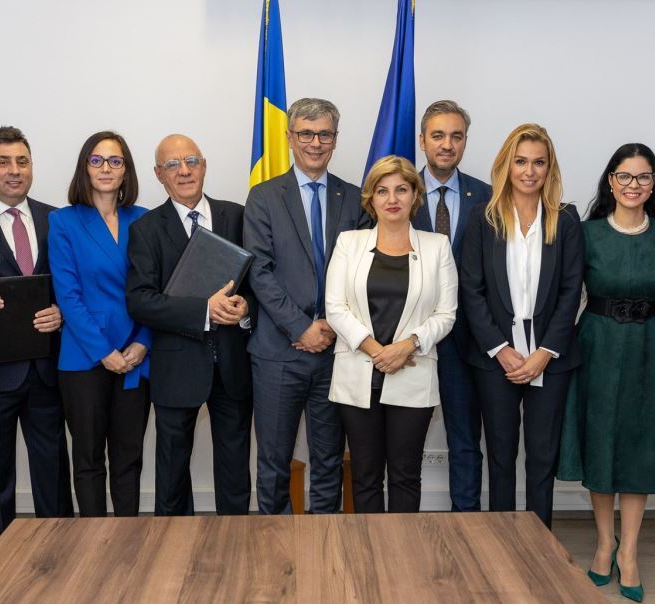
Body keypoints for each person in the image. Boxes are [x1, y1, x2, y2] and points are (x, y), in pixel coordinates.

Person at [559, 143, 655, 603]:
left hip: (646, 348)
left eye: (643, 177)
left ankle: (629, 550)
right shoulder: (586, 233)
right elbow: (566, 293)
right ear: (611, 181)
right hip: (596, 345)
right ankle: (604, 543)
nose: (634, 185)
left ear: (653, 184)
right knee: (600, 442)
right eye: (625, 176)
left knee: (637, 444)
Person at [243, 98, 370, 514]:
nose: (315, 143)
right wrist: (300, 327)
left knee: (329, 460)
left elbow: (363, 272)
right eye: (306, 134)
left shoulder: (355, 199)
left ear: (335, 138)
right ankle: (273, 542)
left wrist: (330, 326)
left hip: (336, 351)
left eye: (324, 134)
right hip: (278, 353)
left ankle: (325, 540)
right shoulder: (263, 197)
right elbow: (259, 270)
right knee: (274, 462)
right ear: (290, 137)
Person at [458, 123, 583, 529]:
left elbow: (572, 290)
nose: (529, 171)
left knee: (543, 455)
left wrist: (545, 352)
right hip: (495, 355)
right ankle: (503, 544)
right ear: (506, 166)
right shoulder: (483, 218)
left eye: (539, 163)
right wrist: (499, 348)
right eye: (521, 161)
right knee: (501, 453)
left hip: (550, 355)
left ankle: (539, 542)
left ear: (550, 168)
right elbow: (471, 289)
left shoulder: (565, 220)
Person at [0, 126, 73, 550]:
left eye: (22, 161)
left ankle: (61, 554)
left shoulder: (56, 219)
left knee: (53, 472)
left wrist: (62, 311)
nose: (14, 170)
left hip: (46, 369)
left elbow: (72, 283)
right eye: (3, 162)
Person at [126, 134, 254, 516]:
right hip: (176, 367)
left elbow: (259, 283)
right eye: (173, 164)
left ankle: (236, 543)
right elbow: (140, 300)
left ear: (204, 165)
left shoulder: (238, 216)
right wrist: (204, 310)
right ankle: (173, 545)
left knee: (235, 472)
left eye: (191, 161)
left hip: (232, 365)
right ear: (158, 174)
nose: (184, 171)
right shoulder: (146, 229)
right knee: (172, 477)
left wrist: (245, 307)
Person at [325, 155, 458, 513]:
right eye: (382, 191)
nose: (392, 198)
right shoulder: (349, 242)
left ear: (415, 195)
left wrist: (407, 346)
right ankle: (368, 549)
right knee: (365, 476)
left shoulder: (437, 246)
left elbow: (446, 314)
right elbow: (335, 307)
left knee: (405, 476)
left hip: (412, 373)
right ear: (371, 198)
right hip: (358, 374)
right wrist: (375, 350)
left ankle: (402, 548)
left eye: (401, 189)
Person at [48, 131, 150, 517]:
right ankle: (94, 543)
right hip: (84, 358)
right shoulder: (63, 221)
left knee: (128, 458)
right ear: (85, 168)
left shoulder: (144, 219)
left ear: (126, 170)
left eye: (115, 161)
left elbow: (157, 291)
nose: (105, 168)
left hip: (137, 355)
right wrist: (105, 351)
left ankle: (129, 541)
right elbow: (68, 296)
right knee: (89, 460)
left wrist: (143, 343)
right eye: (96, 160)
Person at [411, 100, 492, 512]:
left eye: (456, 136)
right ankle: (401, 525)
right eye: (438, 135)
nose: (447, 144)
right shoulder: (398, 190)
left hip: (467, 338)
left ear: (465, 141)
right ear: (422, 140)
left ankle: (467, 522)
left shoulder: (488, 196)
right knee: (404, 442)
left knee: (464, 438)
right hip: (410, 336)